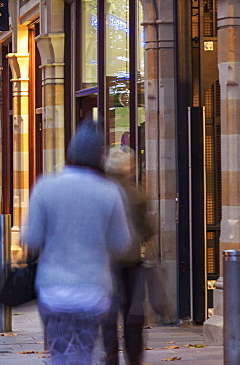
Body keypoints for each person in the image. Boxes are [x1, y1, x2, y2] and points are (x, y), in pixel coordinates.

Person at [23, 120, 132, 364]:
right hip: (93, 291)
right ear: (99, 157)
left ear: (71, 152)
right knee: (86, 352)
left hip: (53, 290)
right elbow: (121, 242)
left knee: (60, 354)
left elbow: (31, 237)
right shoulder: (109, 190)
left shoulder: (46, 186)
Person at [102, 147, 153, 365]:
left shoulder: (100, 192)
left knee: (109, 312)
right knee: (134, 313)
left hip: (106, 261)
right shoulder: (136, 193)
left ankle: (111, 353)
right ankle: (134, 356)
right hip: (132, 260)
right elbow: (147, 229)